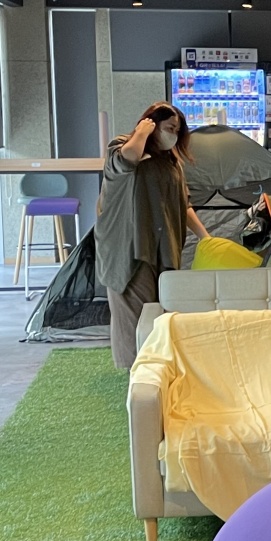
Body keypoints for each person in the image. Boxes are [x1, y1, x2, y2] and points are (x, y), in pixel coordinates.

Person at [95, 102, 211, 370]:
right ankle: (136, 373)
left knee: (160, 311)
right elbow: (126, 159)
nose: (173, 135)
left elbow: (184, 204)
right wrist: (142, 132)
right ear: (151, 124)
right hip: (128, 248)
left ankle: (156, 369)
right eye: (169, 128)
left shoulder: (171, 162)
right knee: (135, 316)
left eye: (177, 130)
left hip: (163, 247)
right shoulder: (123, 146)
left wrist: (205, 237)